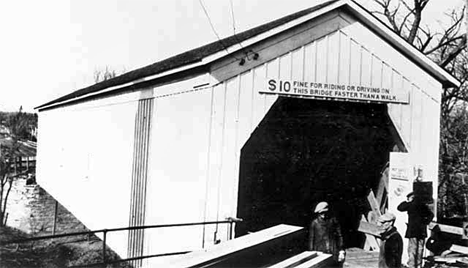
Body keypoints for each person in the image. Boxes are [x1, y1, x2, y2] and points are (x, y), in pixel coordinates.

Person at [397, 192, 434, 268]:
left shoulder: (411, 205)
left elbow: (400, 208)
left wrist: (407, 201)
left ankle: (412, 266)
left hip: (413, 231)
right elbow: (431, 215)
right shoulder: (423, 206)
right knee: (420, 249)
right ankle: (419, 265)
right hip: (422, 231)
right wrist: (426, 222)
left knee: (412, 249)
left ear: (411, 198)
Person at [308, 202, 345, 267]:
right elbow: (311, 239)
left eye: (325, 213)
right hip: (320, 250)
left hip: (333, 250)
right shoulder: (314, 223)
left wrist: (341, 250)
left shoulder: (333, 221)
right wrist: (312, 252)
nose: (324, 215)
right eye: (321, 213)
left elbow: (339, 235)